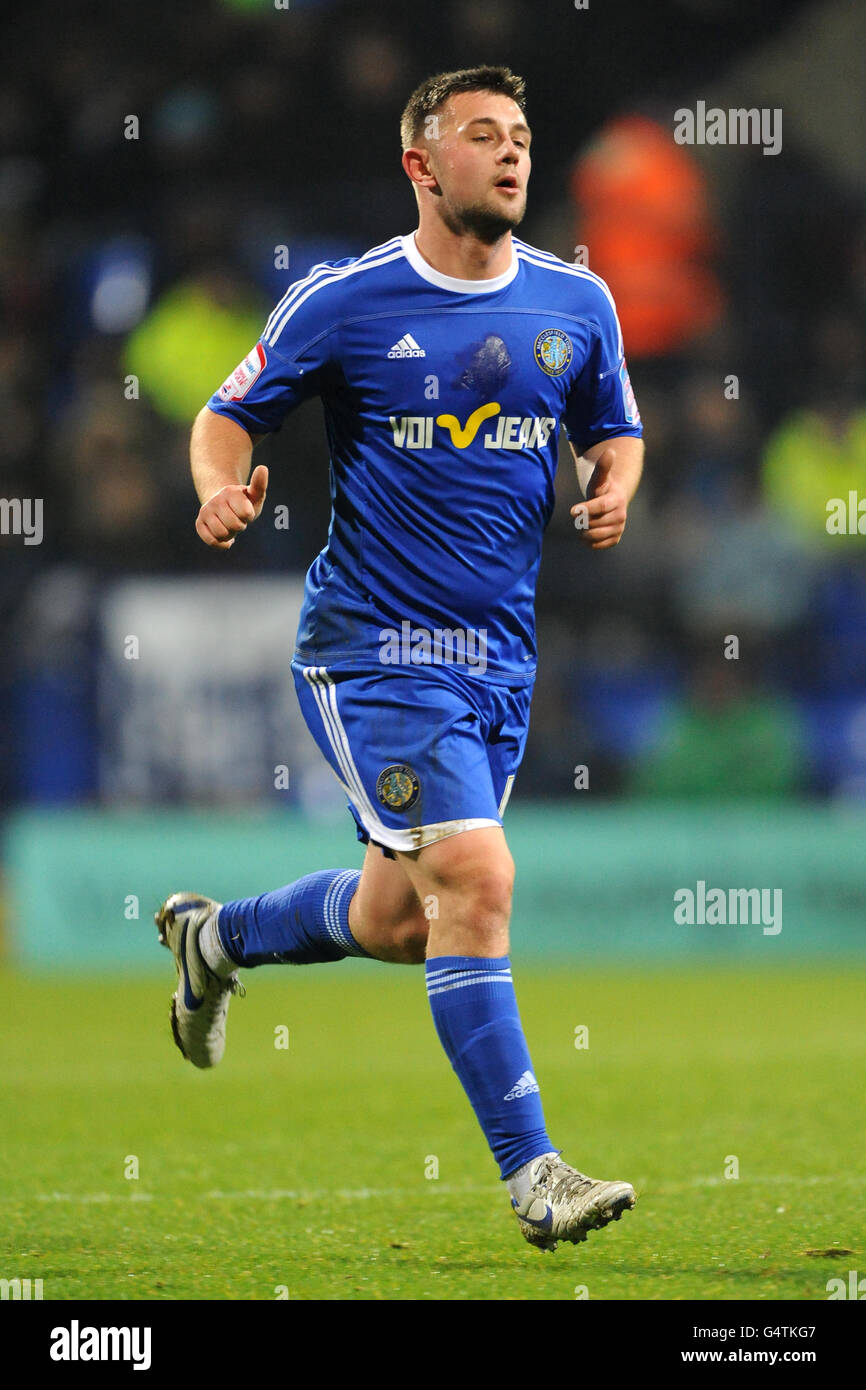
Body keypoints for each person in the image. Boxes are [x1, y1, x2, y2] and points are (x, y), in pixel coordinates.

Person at [157, 65, 644, 1252]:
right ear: (421, 165)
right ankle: (533, 1174)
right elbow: (225, 416)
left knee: (400, 919)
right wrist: (221, 492)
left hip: (498, 663)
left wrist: (611, 488)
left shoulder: (575, 303)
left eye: (522, 134)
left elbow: (615, 430)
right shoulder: (345, 300)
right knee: (475, 880)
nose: (511, 152)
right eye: (481, 134)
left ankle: (212, 941)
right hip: (373, 651)